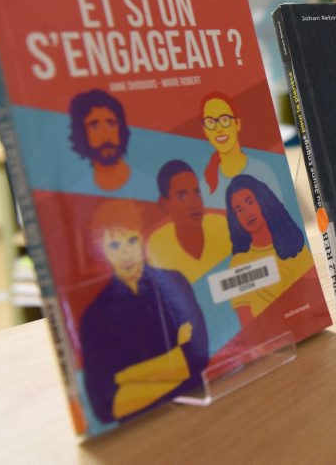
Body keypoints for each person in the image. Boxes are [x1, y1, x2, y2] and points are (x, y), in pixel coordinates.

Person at [79, 199, 208, 424]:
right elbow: (105, 407)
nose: (126, 254)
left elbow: (198, 357)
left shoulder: (174, 283)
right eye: (114, 246)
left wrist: (124, 378)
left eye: (132, 240)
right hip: (137, 430)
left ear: (143, 239)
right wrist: (177, 360)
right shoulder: (94, 317)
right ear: (101, 250)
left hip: (198, 413)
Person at [147, 160, 239, 353]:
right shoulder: (156, 246)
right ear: (164, 204)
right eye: (182, 195)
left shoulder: (223, 227)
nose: (194, 202)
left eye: (197, 192)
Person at [224, 174, 315, 325]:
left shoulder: (294, 246)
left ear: (263, 201)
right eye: (239, 210)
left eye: (250, 202)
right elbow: (247, 322)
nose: (246, 212)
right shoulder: (238, 263)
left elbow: (315, 299)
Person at [200, 92, 281, 209]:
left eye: (224, 119)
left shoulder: (263, 172)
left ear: (237, 124)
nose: (218, 128)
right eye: (210, 122)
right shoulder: (205, 187)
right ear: (205, 130)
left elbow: (280, 217)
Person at [69, 89, 148, 194]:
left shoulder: (149, 188)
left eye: (111, 124)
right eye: (94, 126)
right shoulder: (78, 193)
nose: (106, 135)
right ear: (82, 134)